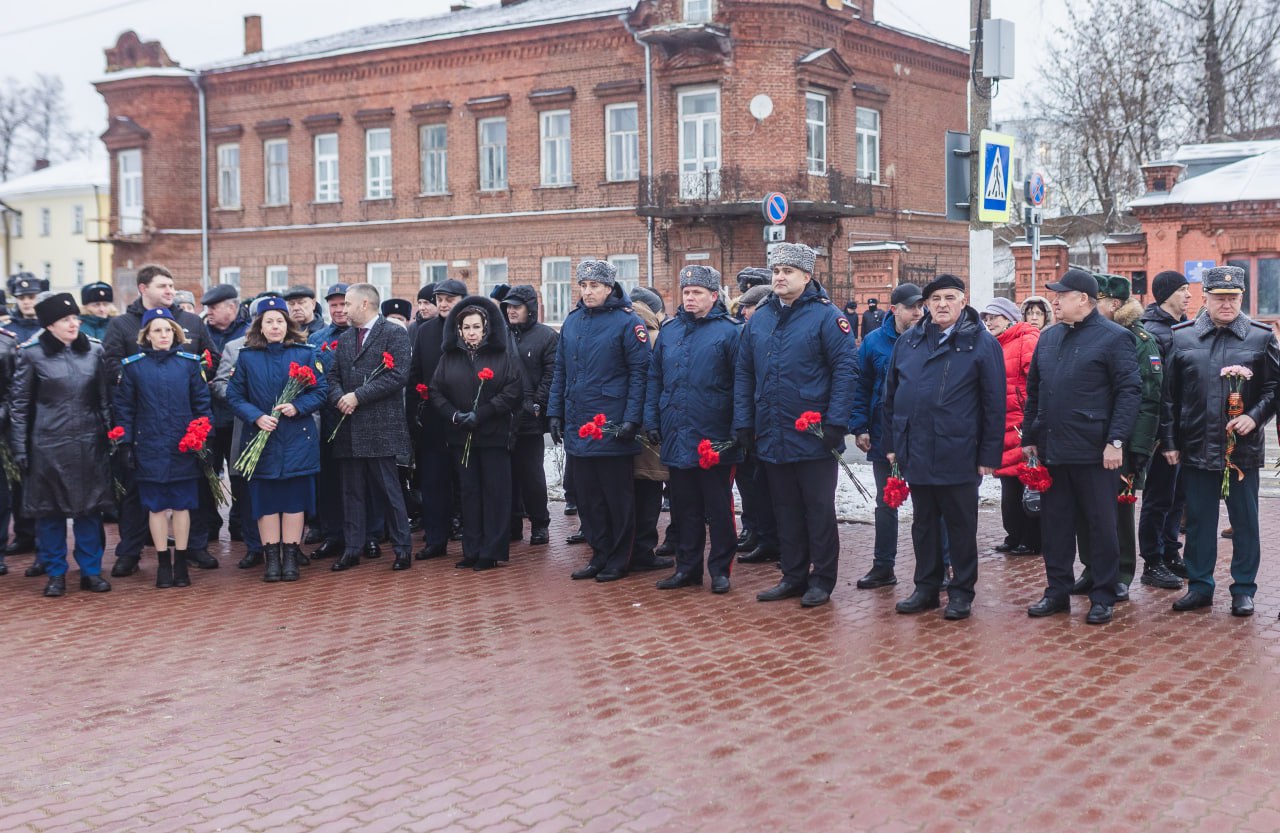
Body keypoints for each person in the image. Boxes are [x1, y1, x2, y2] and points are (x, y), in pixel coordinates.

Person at [735, 243, 858, 608]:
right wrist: (744, 422)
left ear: (807, 276)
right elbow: (744, 372)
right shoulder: (760, 318)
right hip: (772, 431)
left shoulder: (827, 317)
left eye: (788, 271)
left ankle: (821, 579)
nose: (779, 277)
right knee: (784, 509)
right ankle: (792, 575)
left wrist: (836, 422)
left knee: (817, 510)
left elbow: (846, 370)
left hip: (813, 434)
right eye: (776, 271)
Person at [1021, 269, 1140, 625]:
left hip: (1096, 453)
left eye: (1062, 295)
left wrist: (1116, 441)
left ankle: (1103, 594)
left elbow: (1129, 392)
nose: (1054, 302)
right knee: (1054, 526)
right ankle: (1057, 590)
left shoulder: (1114, 338)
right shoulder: (1049, 337)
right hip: (1054, 449)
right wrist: (1029, 437)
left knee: (1101, 526)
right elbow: (1036, 391)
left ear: (1083, 300)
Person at [884, 276, 1005, 621]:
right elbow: (890, 397)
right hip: (917, 448)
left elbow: (994, 404)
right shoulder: (909, 341)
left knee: (960, 525)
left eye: (949, 297)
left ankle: (961, 591)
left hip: (959, 451)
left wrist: (988, 455)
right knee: (923, 524)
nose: (941, 304)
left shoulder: (981, 343)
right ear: (925, 305)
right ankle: (926, 587)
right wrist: (892, 444)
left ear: (963, 302)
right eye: (935, 298)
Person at [1162, 266, 1279, 617]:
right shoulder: (1182, 337)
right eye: (1219, 298)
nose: (1226, 304)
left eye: (1233, 298)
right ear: (1205, 299)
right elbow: (1170, 397)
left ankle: (1243, 589)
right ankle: (1200, 586)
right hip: (1197, 446)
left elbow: (1275, 389)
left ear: (1241, 298)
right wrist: (1169, 441)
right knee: (1198, 521)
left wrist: (1254, 416)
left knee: (1244, 522)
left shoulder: (1260, 337)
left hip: (1241, 451)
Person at [102, 264, 214, 578]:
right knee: (144, 501)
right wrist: (125, 441)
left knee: (186, 502)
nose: (169, 291)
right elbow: (116, 381)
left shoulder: (189, 334)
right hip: (147, 440)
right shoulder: (124, 332)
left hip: (182, 441)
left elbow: (204, 384)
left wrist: (201, 433)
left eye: (171, 285)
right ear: (143, 288)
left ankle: (189, 553)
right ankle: (137, 554)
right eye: (162, 285)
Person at [548, 260, 650, 582]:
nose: (588, 291)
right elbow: (561, 371)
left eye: (594, 285)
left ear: (609, 288)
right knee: (588, 499)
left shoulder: (628, 323)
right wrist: (555, 412)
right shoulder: (573, 321)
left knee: (616, 499)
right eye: (583, 285)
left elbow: (641, 374)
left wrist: (632, 419)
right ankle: (599, 554)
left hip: (612, 426)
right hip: (579, 424)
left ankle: (620, 558)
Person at [645, 265, 742, 593]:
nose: (690, 298)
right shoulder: (670, 331)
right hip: (676, 431)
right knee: (684, 507)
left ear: (714, 296)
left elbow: (741, 384)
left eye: (697, 292)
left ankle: (721, 569)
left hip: (714, 436)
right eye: (686, 292)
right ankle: (687, 568)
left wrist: (738, 429)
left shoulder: (731, 332)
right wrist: (652, 419)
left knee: (717, 506)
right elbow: (655, 377)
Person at [10, 293, 115, 597]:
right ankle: (55, 572)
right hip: (48, 445)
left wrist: (113, 438)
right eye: (65, 320)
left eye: (75, 318)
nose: (73, 323)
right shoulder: (31, 354)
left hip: (88, 443)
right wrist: (20, 449)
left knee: (89, 511)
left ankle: (91, 571)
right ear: (49, 326)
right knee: (50, 512)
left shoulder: (94, 351)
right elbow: (20, 407)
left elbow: (105, 400)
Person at [1073, 275, 1164, 601]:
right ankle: (1091, 567)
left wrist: (1136, 448)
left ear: (1113, 304)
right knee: (1086, 508)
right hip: (1088, 438)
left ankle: (1122, 570)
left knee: (1118, 511)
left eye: (1096, 301)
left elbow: (1148, 400)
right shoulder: (1084, 334)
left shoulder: (1140, 340)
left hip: (1121, 441)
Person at [227, 296, 328, 582]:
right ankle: (272, 558)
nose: (275, 326)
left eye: (280, 321)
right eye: (269, 321)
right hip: (262, 438)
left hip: (297, 438)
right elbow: (234, 395)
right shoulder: (247, 356)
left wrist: (297, 407)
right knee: (267, 501)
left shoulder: (306, 353)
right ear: (260, 325)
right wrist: (256, 416)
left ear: (288, 324)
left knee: (295, 500)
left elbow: (320, 392)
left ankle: (291, 556)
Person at [431, 295, 524, 570]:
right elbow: (436, 390)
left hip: (493, 435)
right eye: (466, 328)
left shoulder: (501, 356)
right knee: (469, 492)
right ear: (459, 331)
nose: (471, 332)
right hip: (462, 436)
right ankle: (471, 549)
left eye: (476, 327)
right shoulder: (449, 357)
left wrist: (483, 413)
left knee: (495, 493)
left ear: (486, 329)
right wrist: (454, 414)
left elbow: (513, 390)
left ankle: (491, 551)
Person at [327, 283, 414, 572]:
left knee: (389, 491)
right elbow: (333, 376)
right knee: (351, 492)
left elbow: (398, 375)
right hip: (348, 425)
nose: (343, 310)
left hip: (379, 426)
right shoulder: (346, 338)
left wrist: (357, 397)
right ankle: (353, 548)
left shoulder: (393, 333)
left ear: (365, 304)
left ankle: (402, 549)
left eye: (348, 304)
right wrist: (340, 397)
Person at [849, 282, 925, 589]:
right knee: (886, 503)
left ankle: (938, 566)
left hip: (920, 435)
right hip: (883, 432)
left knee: (927, 505)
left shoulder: (930, 338)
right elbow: (861, 385)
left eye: (922, 306)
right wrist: (859, 426)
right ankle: (883, 567)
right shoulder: (874, 341)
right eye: (912, 307)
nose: (919, 312)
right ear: (894, 310)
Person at [1137, 270, 1191, 583]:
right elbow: (1156, 389)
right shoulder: (1151, 331)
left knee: (1178, 496)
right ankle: (1152, 561)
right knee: (1158, 497)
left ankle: (1171, 551)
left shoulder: (1185, 327)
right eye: (1182, 289)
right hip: (1161, 431)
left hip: (1184, 428)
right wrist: (1164, 436)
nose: (1188, 294)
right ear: (1166, 294)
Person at [409, 278, 467, 560]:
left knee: (467, 483)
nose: (443, 304)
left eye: (449, 299)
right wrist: (413, 417)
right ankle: (435, 539)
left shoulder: (471, 327)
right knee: (433, 484)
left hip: (465, 420)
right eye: (439, 299)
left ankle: (472, 538)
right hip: (432, 421)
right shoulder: (425, 332)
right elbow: (415, 374)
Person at [981, 296, 1042, 557]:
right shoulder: (995, 344)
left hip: (1021, 424)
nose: (989, 322)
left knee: (1025, 481)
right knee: (1008, 484)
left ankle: (1031, 539)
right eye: (986, 317)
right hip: (1002, 423)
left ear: (1010, 318)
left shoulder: (1026, 338)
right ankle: (1014, 535)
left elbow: (1037, 381)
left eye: (994, 317)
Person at [501, 285, 558, 546]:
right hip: (502, 415)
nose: (511, 311)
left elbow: (551, 374)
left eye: (517, 306)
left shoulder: (546, 337)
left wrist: (537, 404)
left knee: (532, 475)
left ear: (530, 308)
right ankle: (512, 524)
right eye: (508, 306)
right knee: (506, 475)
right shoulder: (499, 334)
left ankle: (539, 524)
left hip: (529, 417)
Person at [731, 283, 780, 565]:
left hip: (766, 421)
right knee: (752, 486)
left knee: (766, 487)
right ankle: (758, 533)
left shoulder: (759, 331)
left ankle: (768, 537)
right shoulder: (746, 332)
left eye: (747, 308)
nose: (743, 312)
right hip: (751, 422)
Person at [202, 283, 249, 541]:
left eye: (213, 307)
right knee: (208, 472)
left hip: (237, 419)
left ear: (232, 307)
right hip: (208, 418)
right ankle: (210, 522)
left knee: (239, 473)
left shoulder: (249, 333)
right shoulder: (201, 331)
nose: (208, 312)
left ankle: (239, 522)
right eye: (207, 307)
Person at [306, 284, 350, 559]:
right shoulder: (317, 338)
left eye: (344, 304)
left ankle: (368, 535)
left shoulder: (364, 334)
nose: (339, 309)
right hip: (328, 421)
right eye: (333, 305)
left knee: (361, 482)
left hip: (360, 418)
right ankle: (333, 535)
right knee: (330, 483)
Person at [7, 274, 43, 343]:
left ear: (40, 298)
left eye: (31, 297)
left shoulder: (51, 328)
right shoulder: (8, 330)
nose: (26, 302)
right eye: (21, 298)